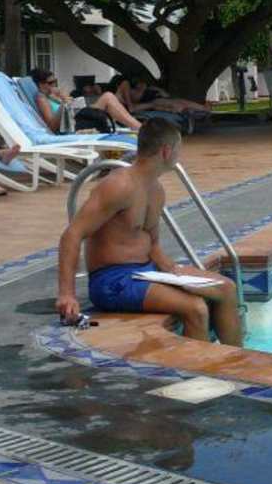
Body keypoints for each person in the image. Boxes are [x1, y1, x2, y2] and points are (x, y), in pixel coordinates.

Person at [56, 119, 242, 345]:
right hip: (113, 280)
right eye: (179, 150)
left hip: (148, 272)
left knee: (227, 289)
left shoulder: (156, 191)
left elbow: (151, 243)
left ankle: (237, 362)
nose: (179, 156)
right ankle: (199, 367)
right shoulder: (118, 186)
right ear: (166, 151)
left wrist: (173, 270)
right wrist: (67, 294)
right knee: (196, 309)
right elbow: (72, 234)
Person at [31, 69, 141, 132]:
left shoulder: (52, 96)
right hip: (73, 125)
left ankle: (137, 126)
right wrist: (64, 103)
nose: (54, 85)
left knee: (108, 97)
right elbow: (52, 126)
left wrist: (68, 100)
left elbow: (68, 107)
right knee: (107, 97)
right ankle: (139, 127)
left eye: (55, 81)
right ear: (40, 84)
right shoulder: (41, 98)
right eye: (50, 83)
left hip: (77, 117)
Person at [115, 75, 210, 117]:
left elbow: (133, 105)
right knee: (175, 103)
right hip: (150, 100)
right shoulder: (124, 85)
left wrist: (158, 90)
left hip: (152, 98)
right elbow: (132, 108)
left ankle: (201, 108)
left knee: (178, 101)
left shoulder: (127, 90)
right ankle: (194, 110)